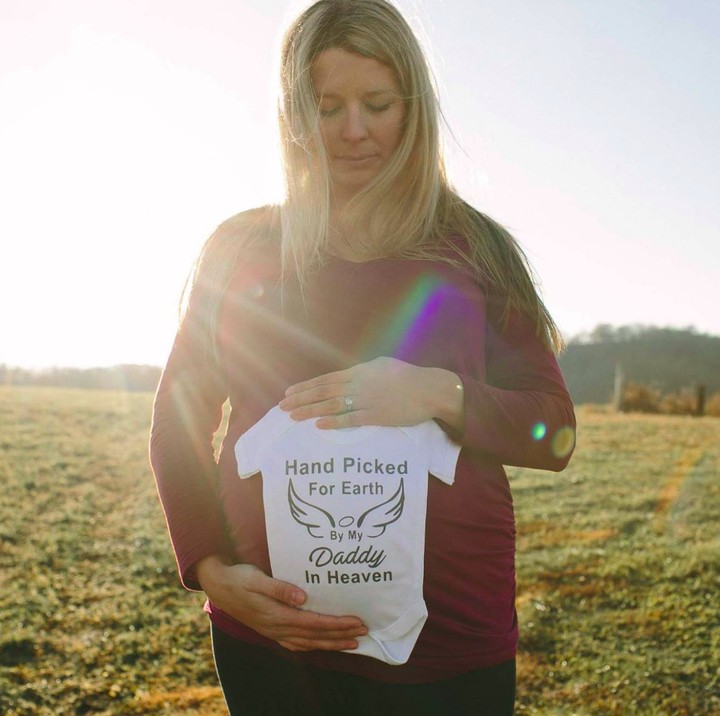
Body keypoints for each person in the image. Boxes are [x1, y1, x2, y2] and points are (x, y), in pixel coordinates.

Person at [149, 0, 576, 713]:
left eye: (377, 105)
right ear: (293, 113)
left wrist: (436, 393)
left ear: (414, 107)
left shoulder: (477, 248)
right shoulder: (240, 248)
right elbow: (178, 418)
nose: (353, 131)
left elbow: (553, 429)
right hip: (271, 642)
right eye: (327, 107)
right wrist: (212, 568)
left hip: (448, 646)